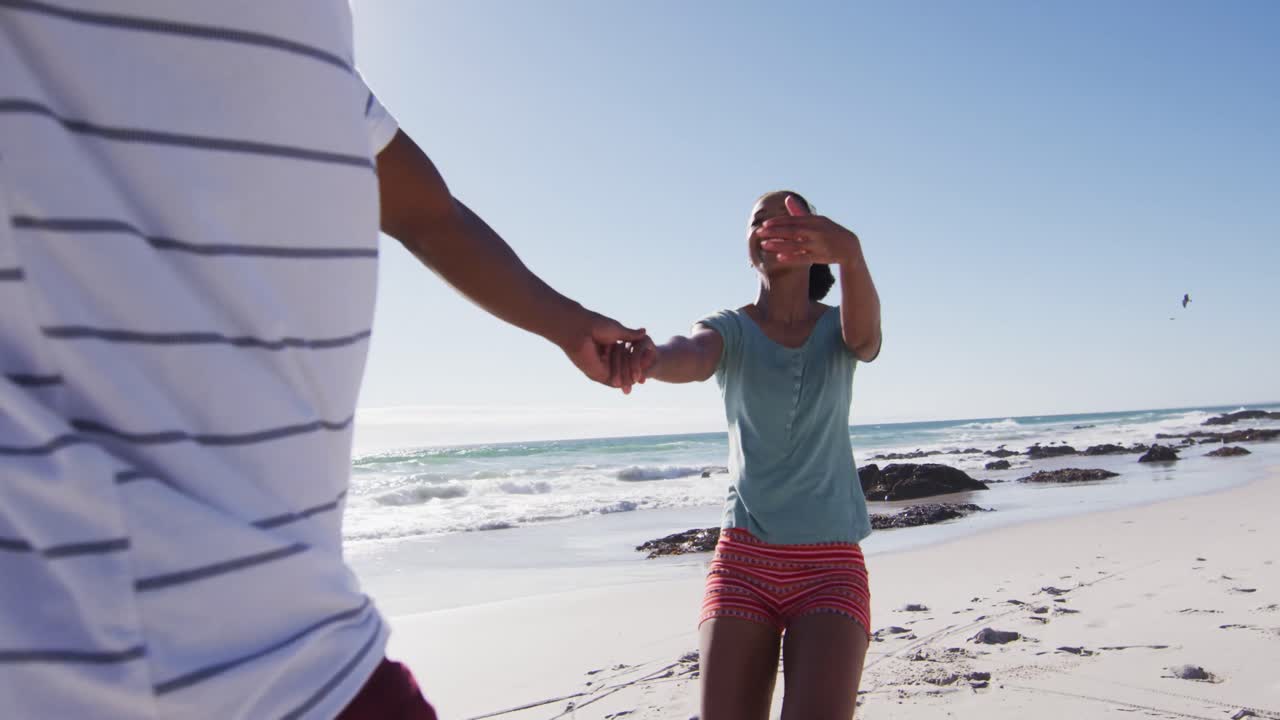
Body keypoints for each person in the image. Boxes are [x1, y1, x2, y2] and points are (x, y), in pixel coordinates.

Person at [0, 5, 642, 718]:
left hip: (317, 657)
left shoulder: (311, 35)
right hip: (69, 664)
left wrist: (567, 325)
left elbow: (428, 214)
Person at [612, 191, 882, 719]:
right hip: (743, 558)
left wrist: (852, 253)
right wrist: (648, 358)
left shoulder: (838, 326)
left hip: (830, 565)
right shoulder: (729, 328)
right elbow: (689, 354)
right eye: (757, 221)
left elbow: (866, 339)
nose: (768, 227)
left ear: (814, 241)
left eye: (784, 220)